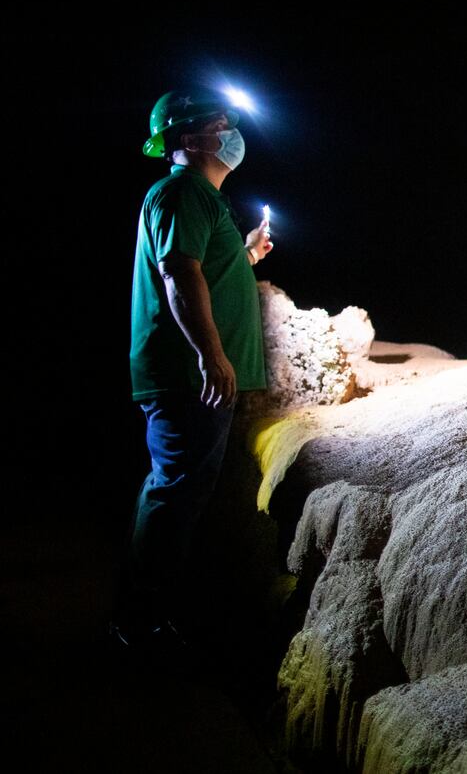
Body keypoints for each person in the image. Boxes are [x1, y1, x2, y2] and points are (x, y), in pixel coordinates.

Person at [112, 86, 273, 655]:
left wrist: (248, 253)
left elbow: (205, 265)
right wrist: (212, 353)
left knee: (174, 488)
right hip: (187, 375)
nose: (232, 131)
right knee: (176, 490)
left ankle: (148, 611)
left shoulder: (201, 200)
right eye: (221, 122)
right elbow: (180, 273)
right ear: (189, 137)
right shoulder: (179, 192)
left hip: (193, 374)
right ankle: (142, 623)